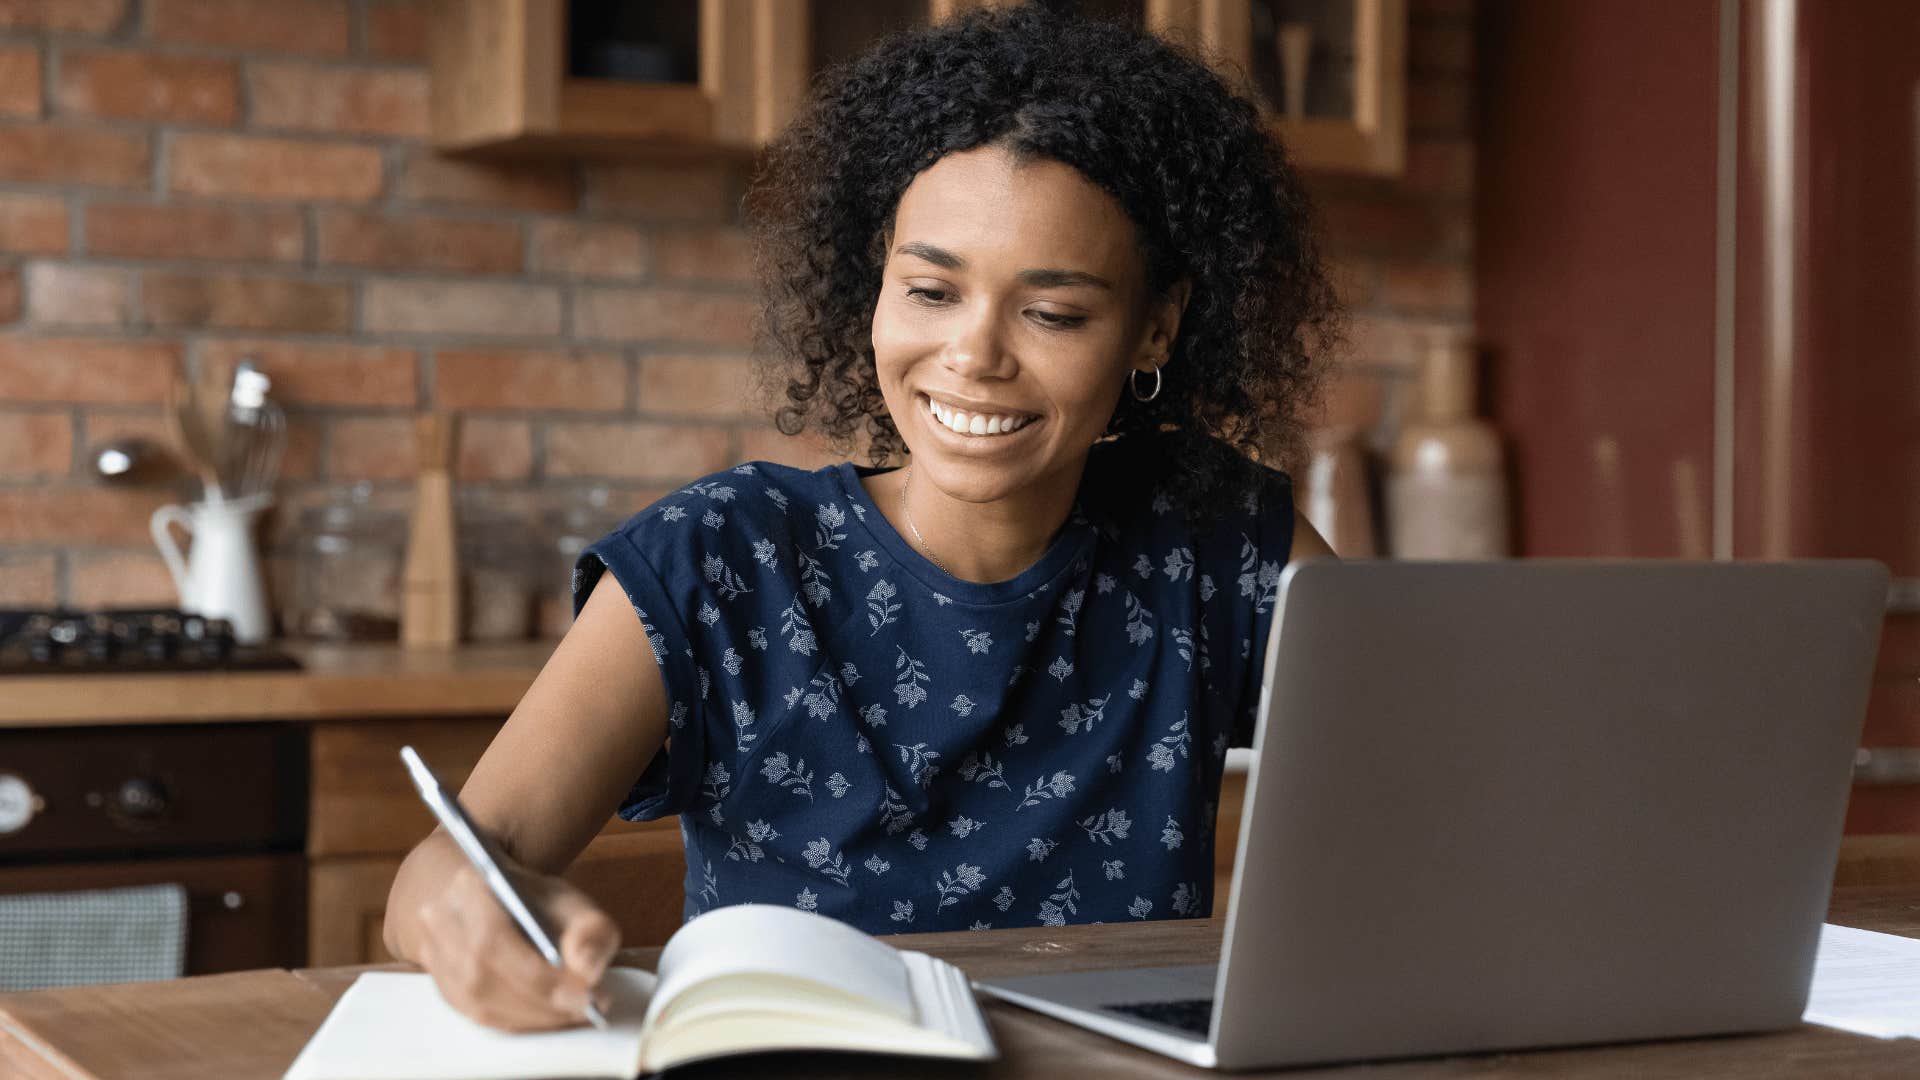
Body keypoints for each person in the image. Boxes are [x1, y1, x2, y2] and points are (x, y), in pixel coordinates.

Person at [383, 4, 1342, 1032]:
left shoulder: (1215, 540)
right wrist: (469, 914)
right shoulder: (721, 557)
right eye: (931, 289)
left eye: (1053, 312)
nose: (973, 354)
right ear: (873, 282)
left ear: (1156, 326)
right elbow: (450, 866)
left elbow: (1429, 791)